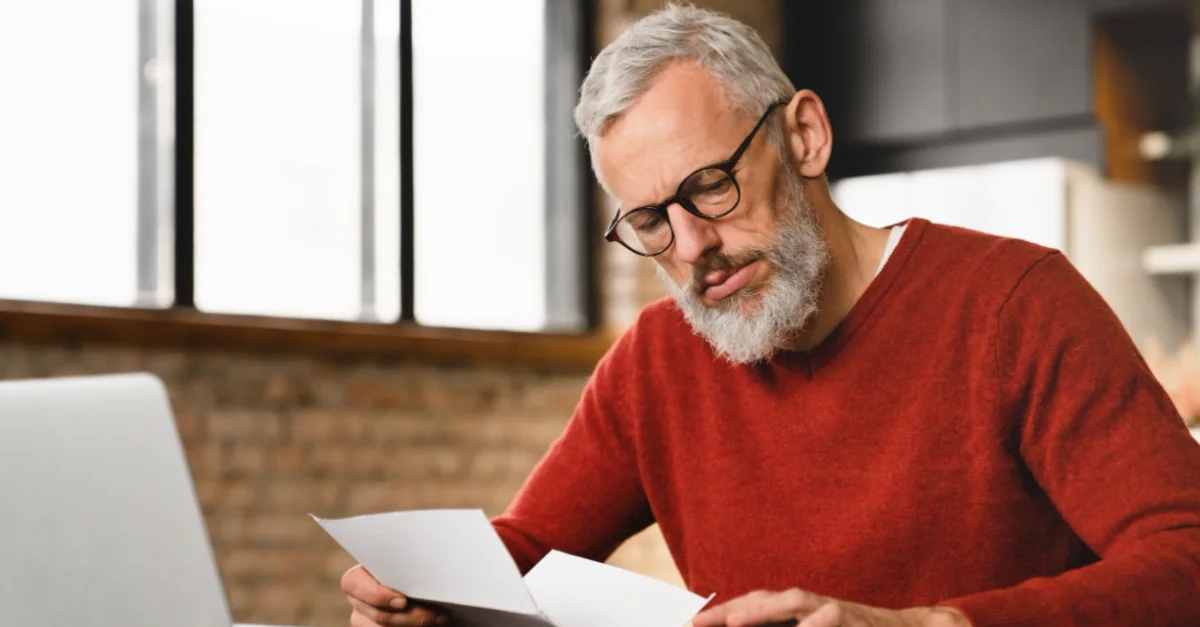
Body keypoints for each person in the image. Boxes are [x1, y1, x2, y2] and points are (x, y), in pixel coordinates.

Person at [342, 5, 1200, 626]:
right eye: (649, 220)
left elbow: (1185, 560)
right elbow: (529, 543)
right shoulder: (655, 360)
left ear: (805, 136)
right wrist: (423, 592)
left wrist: (930, 626)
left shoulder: (1016, 303)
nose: (689, 247)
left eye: (709, 186)